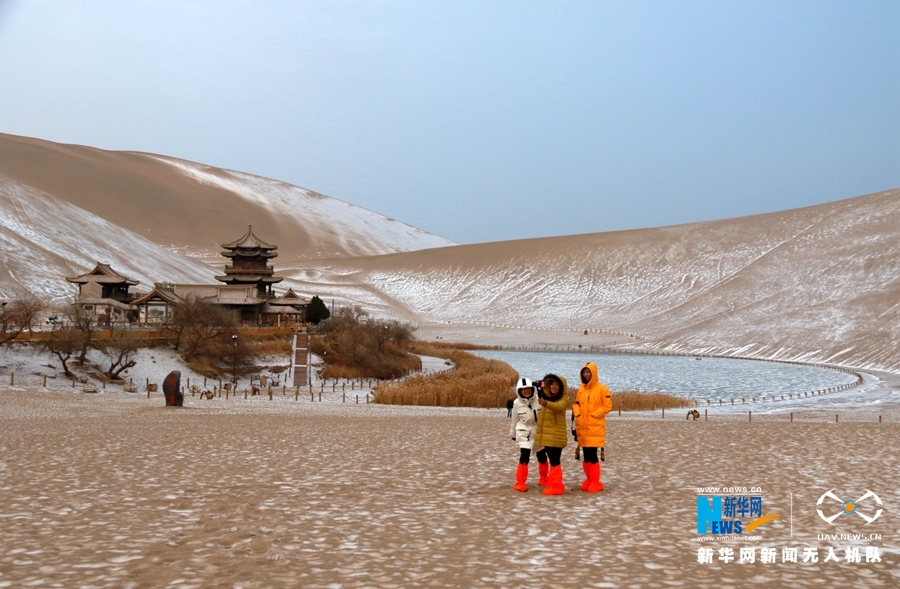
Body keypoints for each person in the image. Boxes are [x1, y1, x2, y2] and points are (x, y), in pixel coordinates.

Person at [572, 362, 611, 493]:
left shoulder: (602, 389)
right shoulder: (581, 389)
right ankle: (589, 479)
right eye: (584, 372)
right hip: (582, 426)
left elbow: (607, 406)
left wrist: (594, 415)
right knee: (586, 455)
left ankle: (596, 481)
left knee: (593, 455)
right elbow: (576, 403)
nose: (586, 375)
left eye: (588, 372)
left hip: (595, 427)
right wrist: (577, 413)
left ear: (593, 373)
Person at [534, 373, 569, 495]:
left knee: (554, 461)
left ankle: (555, 486)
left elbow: (558, 407)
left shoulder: (563, 399)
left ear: (562, 387)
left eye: (556, 385)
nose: (553, 387)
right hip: (548, 436)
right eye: (552, 384)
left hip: (556, 436)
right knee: (553, 461)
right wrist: (540, 388)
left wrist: (546, 403)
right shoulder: (547, 398)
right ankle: (556, 484)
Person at [509, 377, 540, 492]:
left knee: (542, 456)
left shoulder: (539, 399)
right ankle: (520, 482)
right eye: (523, 389)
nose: (526, 391)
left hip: (538, 431)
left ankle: (544, 478)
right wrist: (513, 433)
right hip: (524, 431)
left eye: (528, 389)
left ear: (532, 389)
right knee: (524, 455)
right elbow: (514, 419)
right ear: (519, 391)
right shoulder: (517, 403)